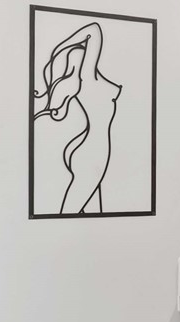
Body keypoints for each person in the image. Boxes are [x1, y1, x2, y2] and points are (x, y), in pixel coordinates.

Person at [31, 21, 122, 214]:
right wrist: (60, 49)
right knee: (69, 214)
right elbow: (94, 29)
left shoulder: (84, 84)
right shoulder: (89, 78)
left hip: (85, 147)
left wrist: (58, 53)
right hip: (94, 151)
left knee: (93, 217)